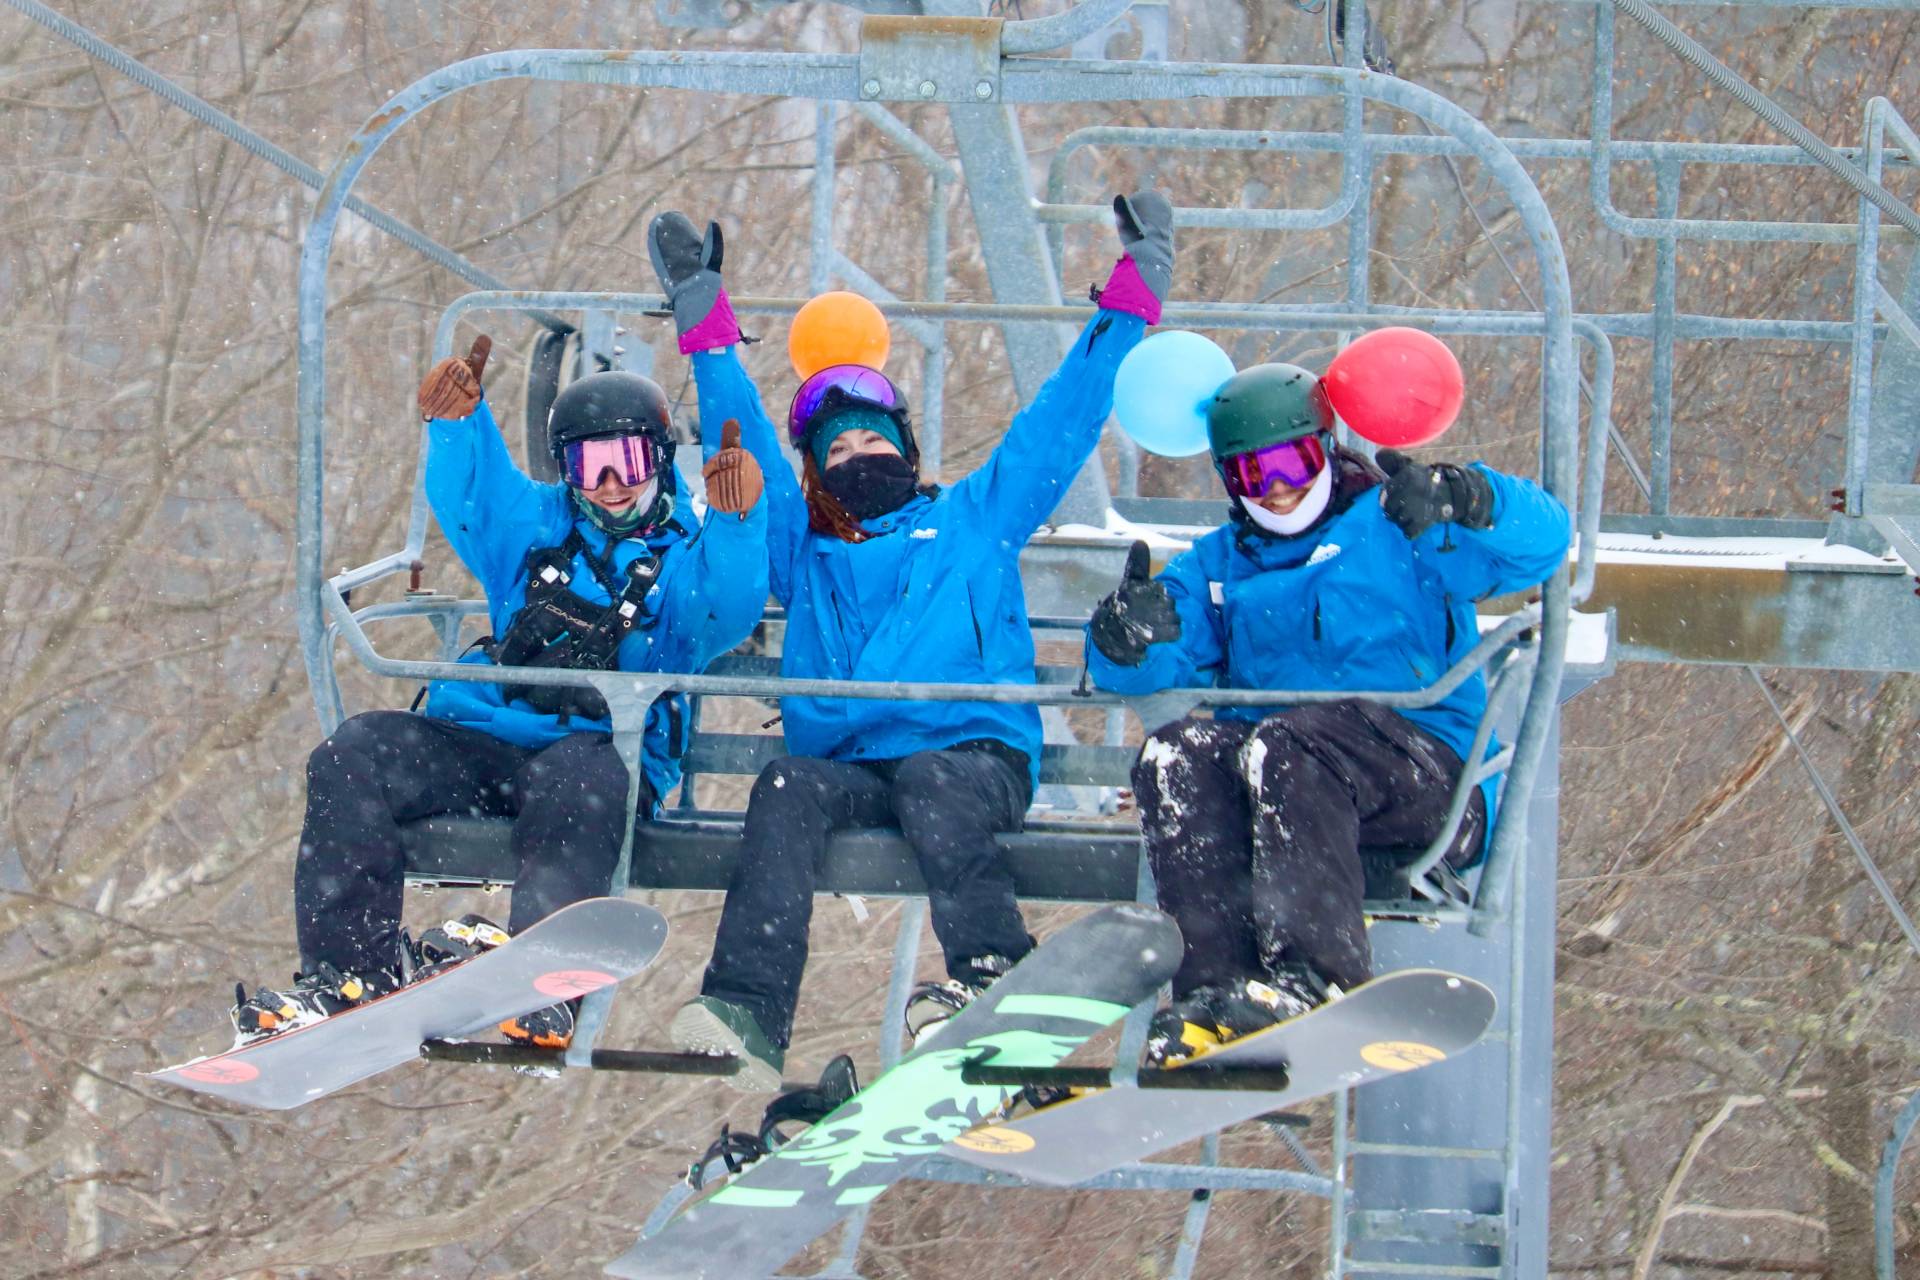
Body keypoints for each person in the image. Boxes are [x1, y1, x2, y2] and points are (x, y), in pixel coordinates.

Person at [644, 191, 1174, 1090]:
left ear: (907, 452)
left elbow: (1063, 418)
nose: (855, 458)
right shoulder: (802, 548)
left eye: (871, 440)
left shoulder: (978, 519)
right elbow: (747, 444)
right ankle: (747, 1005)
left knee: (936, 781)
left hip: (968, 755)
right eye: (836, 452)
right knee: (784, 785)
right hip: (851, 765)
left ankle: (987, 970)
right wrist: (706, 325)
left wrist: (1133, 299)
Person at [231, 337, 768, 1050]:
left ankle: (539, 979)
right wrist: (457, 426)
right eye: (589, 463)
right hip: (487, 735)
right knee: (354, 752)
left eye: (627, 462)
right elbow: (475, 499)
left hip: (602, 749)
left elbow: (724, 606)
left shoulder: (684, 552)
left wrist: (737, 521)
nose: (609, 483)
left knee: (578, 786)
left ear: (660, 458)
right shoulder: (540, 525)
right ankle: (349, 971)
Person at [1085, 360, 1569, 1065]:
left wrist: (1471, 499)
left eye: (1291, 462)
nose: (1277, 491)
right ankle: (1215, 992)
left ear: (1326, 449)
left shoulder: (1399, 524)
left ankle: (1316, 979)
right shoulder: (1219, 565)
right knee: (1175, 753)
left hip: (1426, 778)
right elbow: (1146, 665)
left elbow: (1542, 548)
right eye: (1254, 475)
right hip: (1287, 784)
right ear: (1229, 482)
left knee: (1291, 743)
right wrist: (1125, 638)